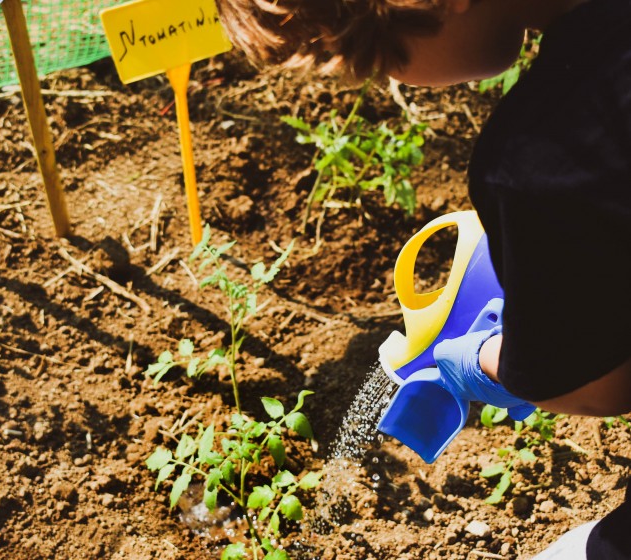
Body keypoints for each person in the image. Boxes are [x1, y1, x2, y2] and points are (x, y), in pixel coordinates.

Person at [214, 0, 631, 557]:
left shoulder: (544, 153)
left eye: (371, 52)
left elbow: (597, 385)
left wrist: (491, 359)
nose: (379, 79)